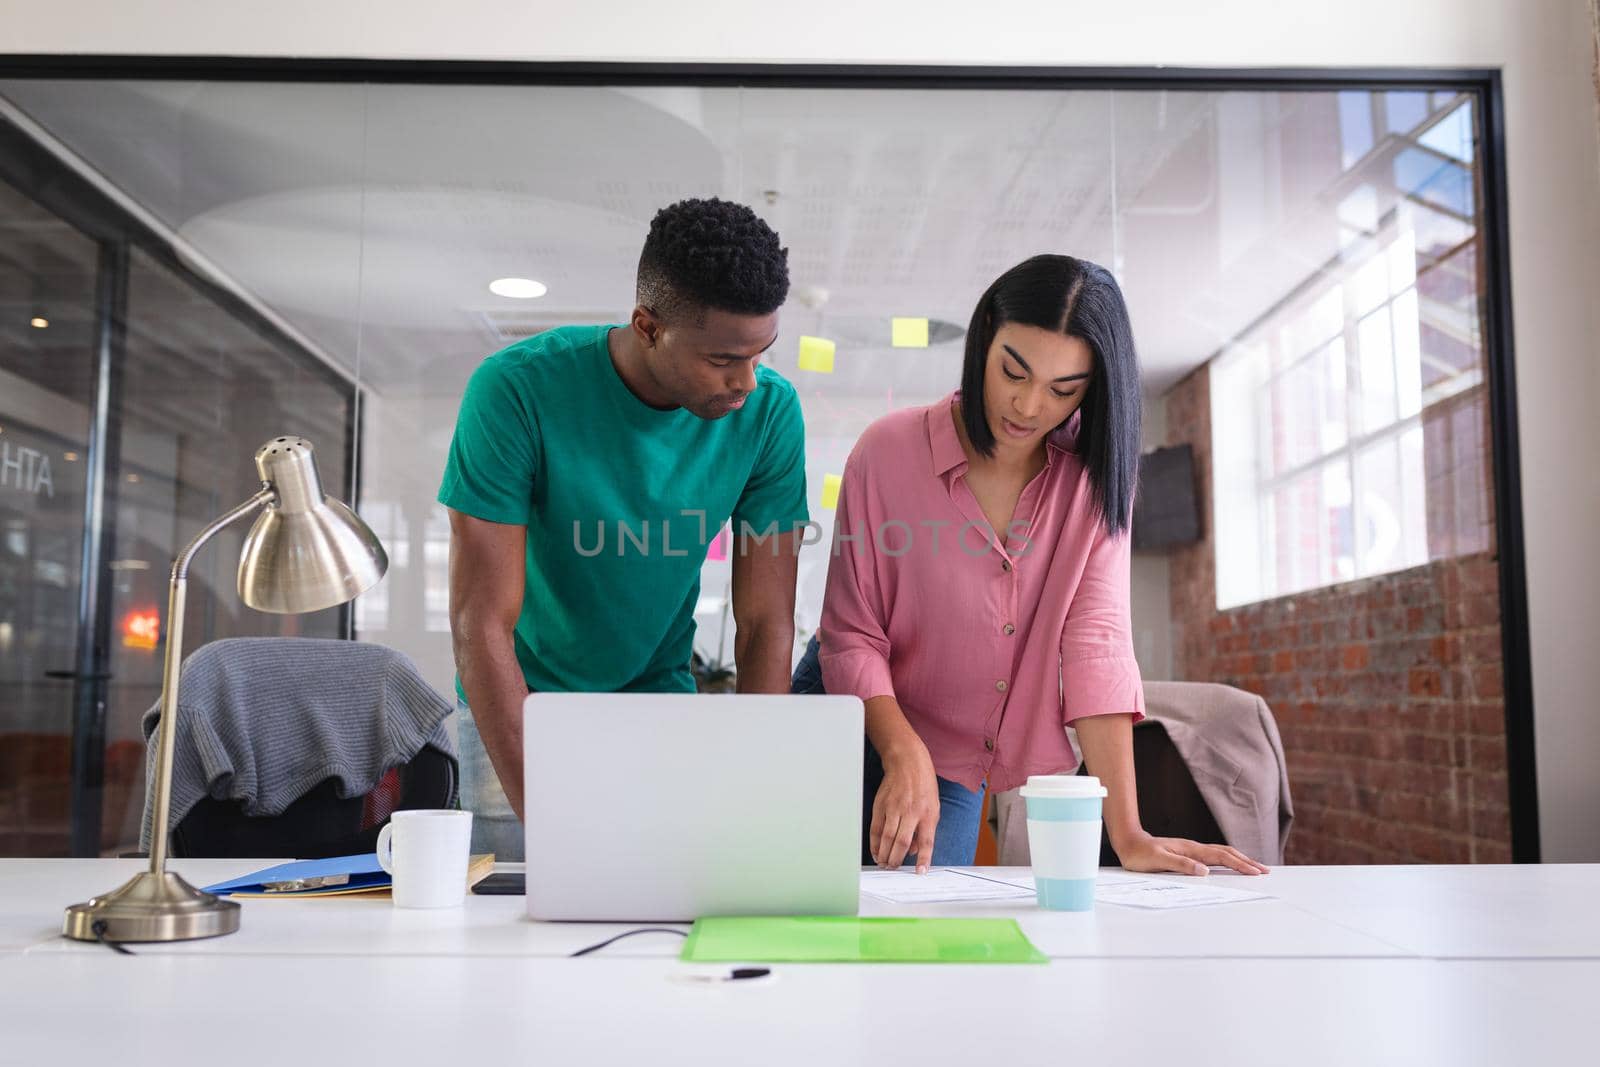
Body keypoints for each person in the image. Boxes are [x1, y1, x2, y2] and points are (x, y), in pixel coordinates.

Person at [792, 254, 1267, 877]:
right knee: (798, 919)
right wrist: (901, 746)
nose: (1027, 403)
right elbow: (851, 633)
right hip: (851, 715)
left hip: (953, 762)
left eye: (1062, 390)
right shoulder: (887, 452)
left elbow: (1095, 644)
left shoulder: (1093, 486)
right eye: (1012, 371)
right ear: (986, 335)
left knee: (914, 943)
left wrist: (1127, 831)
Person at [440, 198, 808, 859]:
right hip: (517, 702)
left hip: (657, 702)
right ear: (646, 326)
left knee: (653, 909)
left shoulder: (770, 415)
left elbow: (765, 620)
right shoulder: (515, 391)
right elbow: (479, 618)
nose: (747, 382)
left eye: (760, 354)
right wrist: (548, 820)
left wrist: (763, 780)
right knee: (516, 920)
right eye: (723, 358)